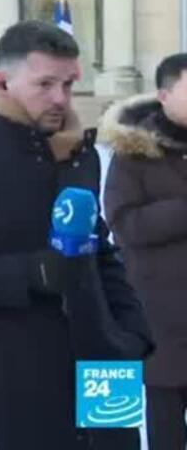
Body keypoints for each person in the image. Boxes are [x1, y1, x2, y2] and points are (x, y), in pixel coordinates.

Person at [0, 20, 153, 450]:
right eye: (45, 84)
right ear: (2, 82)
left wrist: (132, 329)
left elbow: (100, 248)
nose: (61, 98)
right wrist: (29, 274)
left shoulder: (80, 156)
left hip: (105, 367)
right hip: (14, 381)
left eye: (68, 84)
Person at [98, 53, 187, 450]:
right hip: (162, 322)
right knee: (166, 433)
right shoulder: (134, 153)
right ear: (164, 96)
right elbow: (125, 224)